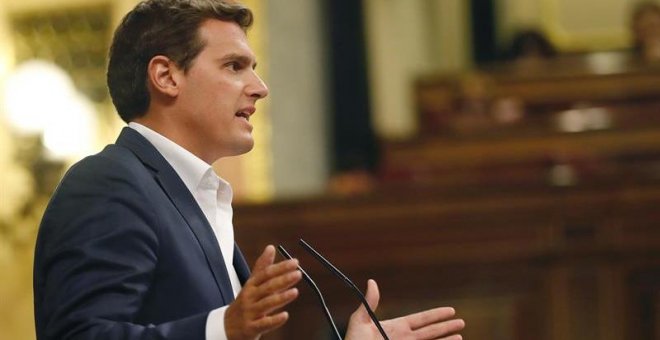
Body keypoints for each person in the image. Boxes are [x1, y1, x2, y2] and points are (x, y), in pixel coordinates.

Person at [32, 0, 465, 339]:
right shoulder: (109, 185)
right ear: (166, 76)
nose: (259, 88)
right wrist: (223, 329)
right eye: (234, 66)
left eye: (253, 68)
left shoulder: (196, 196)